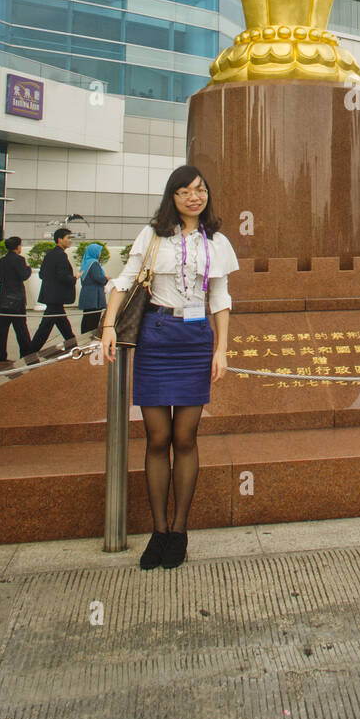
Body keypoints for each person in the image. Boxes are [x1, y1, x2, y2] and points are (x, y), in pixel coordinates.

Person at [102, 166, 239, 570]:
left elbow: (220, 297)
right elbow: (124, 281)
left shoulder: (216, 240)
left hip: (195, 339)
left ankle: (179, 531)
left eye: (200, 189)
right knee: (157, 438)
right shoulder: (152, 235)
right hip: (156, 336)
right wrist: (109, 325)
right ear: (172, 197)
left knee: (186, 437)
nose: (194, 197)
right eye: (184, 191)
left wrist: (221, 350)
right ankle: (158, 532)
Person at [29, 228, 76, 353]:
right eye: (68, 238)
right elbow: (62, 276)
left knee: (62, 324)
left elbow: (42, 274)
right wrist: (74, 278)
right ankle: (30, 352)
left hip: (51, 296)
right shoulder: (61, 255)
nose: (70, 241)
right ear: (60, 239)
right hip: (56, 297)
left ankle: (73, 344)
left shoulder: (50, 254)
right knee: (46, 327)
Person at [0, 235, 32, 362]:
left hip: (3, 300)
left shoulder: (1, 261)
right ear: (18, 246)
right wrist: (28, 268)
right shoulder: (19, 260)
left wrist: (4, 280)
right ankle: (26, 354)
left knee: (1, 331)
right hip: (17, 301)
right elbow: (24, 275)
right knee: (21, 330)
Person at [78, 243, 108, 335]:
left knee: (87, 318)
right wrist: (106, 279)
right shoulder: (94, 263)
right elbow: (99, 278)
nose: (100, 254)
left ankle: (84, 337)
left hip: (86, 292)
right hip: (94, 294)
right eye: (99, 252)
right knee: (93, 319)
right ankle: (89, 339)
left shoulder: (86, 262)